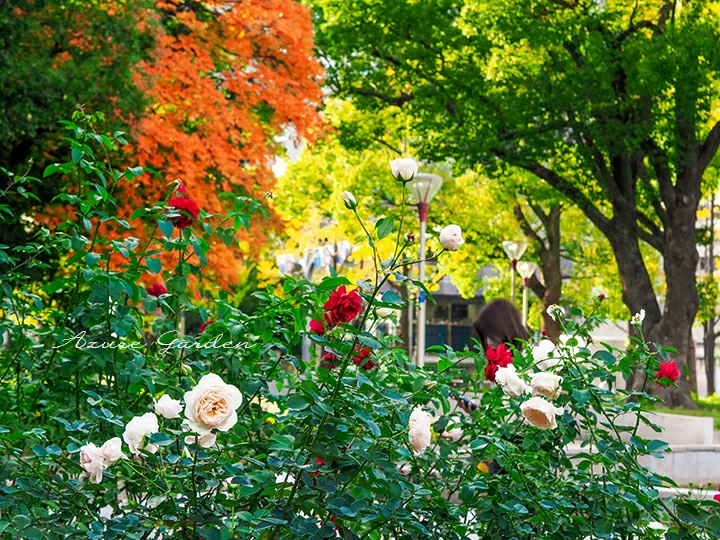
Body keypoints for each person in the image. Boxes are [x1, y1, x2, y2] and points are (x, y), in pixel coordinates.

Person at [455, 299, 530, 414]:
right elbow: (503, 419)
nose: (488, 342)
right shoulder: (500, 365)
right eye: (485, 335)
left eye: (491, 334)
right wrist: (479, 415)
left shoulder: (530, 362)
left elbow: (518, 418)